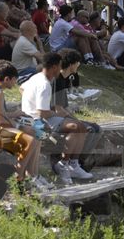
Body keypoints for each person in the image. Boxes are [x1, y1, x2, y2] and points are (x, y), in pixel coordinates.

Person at [19, 52, 93, 185]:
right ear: (54, 67)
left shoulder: (36, 77)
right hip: (39, 121)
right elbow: (43, 113)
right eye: (59, 66)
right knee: (77, 127)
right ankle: (63, 164)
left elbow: (21, 88)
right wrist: (55, 112)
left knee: (80, 126)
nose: (60, 69)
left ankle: (73, 164)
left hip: (32, 117)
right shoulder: (45, 84)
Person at [0, 60, 45, 189]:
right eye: (15, 80)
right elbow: (1, 122)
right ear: (7, 79)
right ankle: (18, 179)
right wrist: (18, 126)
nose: (15, 83)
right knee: (29, 140)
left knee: (36, 136)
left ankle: (32, 176)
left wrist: (15, 114)